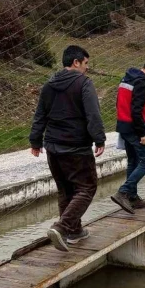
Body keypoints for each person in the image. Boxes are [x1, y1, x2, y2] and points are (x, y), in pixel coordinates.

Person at [29, 45, 106, 252]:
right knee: (86, 188)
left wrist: (35, 141)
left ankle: (74, 231)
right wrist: (99, 139)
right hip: (76, 147)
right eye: (86, 63)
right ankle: (62, 227)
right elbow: (93, 114)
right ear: (76, 62)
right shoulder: (84, 83)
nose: (87, 68)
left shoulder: (49, 85)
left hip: (53, 147)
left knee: (65, 190)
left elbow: (40, 115)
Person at [111, 59, 145, 213]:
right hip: (135, 128)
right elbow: (136, 110)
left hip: (124, 125)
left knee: (133, 161)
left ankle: (132, 197)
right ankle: (123, 192)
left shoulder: (128, 78)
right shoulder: (142, 82)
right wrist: (142, 133)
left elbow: (119, 102)